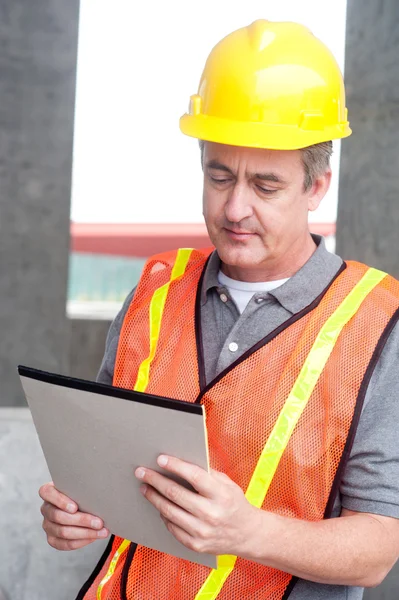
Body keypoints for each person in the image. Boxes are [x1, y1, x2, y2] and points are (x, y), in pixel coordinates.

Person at [39, 20, 399, 600]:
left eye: (266, 185)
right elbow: (102, 469)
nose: (235, 207)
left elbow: (380, 548)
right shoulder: (153, 294)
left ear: (316, 187)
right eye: (219, 176)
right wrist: (75, 513)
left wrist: (252, 532)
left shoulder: (378, 324)